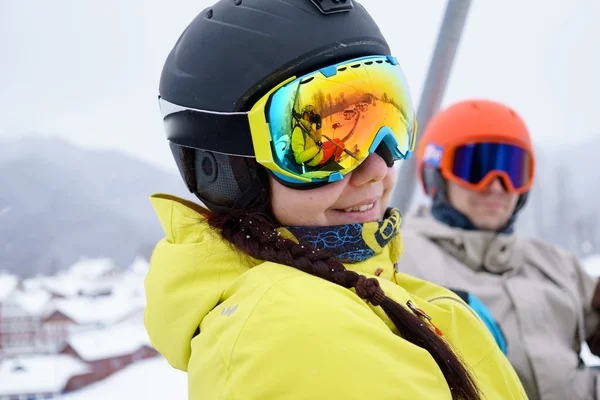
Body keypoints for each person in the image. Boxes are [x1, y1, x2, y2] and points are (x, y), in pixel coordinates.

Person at [143, 1, 527, 399]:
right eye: (327, 144)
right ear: (225, 169)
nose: (376, 168)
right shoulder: (299, 330)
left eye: (388, 121)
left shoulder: (366, 289)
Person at [399, 98, 600, 400]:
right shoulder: (399, 260)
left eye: (512, 170)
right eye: (476, 167)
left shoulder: (553, 262)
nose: (496, 185)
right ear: (436, 173)